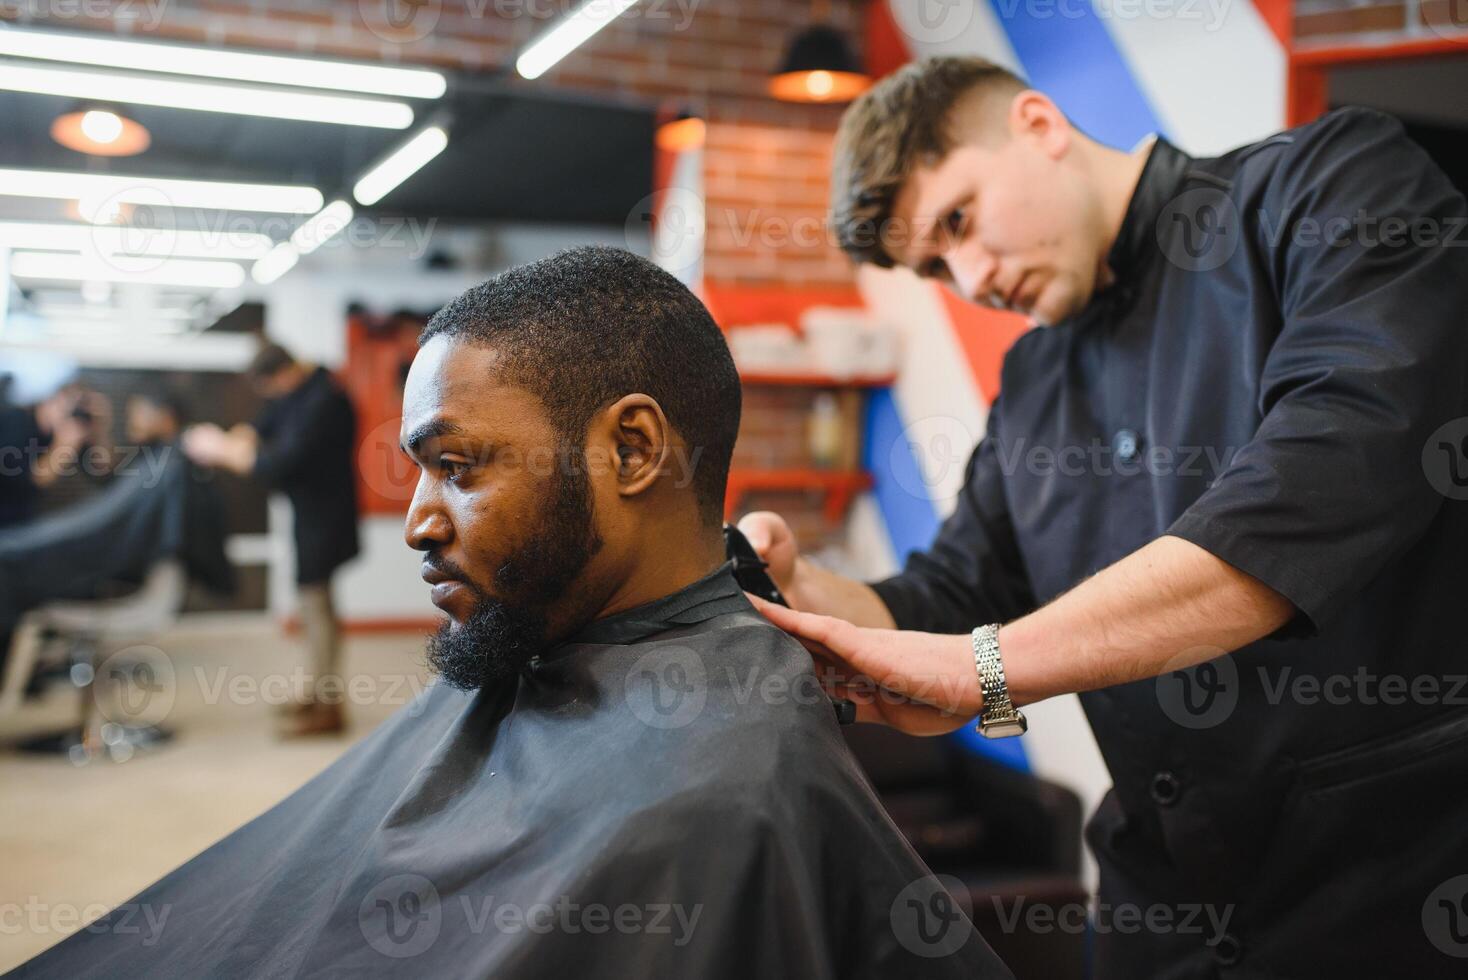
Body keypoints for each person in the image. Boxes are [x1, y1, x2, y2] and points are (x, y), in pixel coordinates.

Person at [9, 247, 1015, 980]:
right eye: (417, 472)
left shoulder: (714, 801)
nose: (415, 522)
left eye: (457, 467)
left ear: (629, 451)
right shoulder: (548, 645)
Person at [739, 57, 1468, 977]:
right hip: (1158, 910)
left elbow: (1327, 480)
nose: (972, 275)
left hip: (1394, 884)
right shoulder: (1036, 382)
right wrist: (812, 590)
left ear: (1040, 125)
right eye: (935, 266)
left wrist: (991, 670)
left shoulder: (1327, 185)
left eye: (959, 219)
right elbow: (952, 590)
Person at [183, 344, 360, 736]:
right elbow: (265, 423)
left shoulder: (324, 399)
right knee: (316, 607)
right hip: (311, 516)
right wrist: (240, 437)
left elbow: (279, 463)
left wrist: (221, 451)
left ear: (281, 374)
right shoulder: (303, 389)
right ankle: (317, 690)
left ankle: (328, 706)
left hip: (325, 519)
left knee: (317, 608)